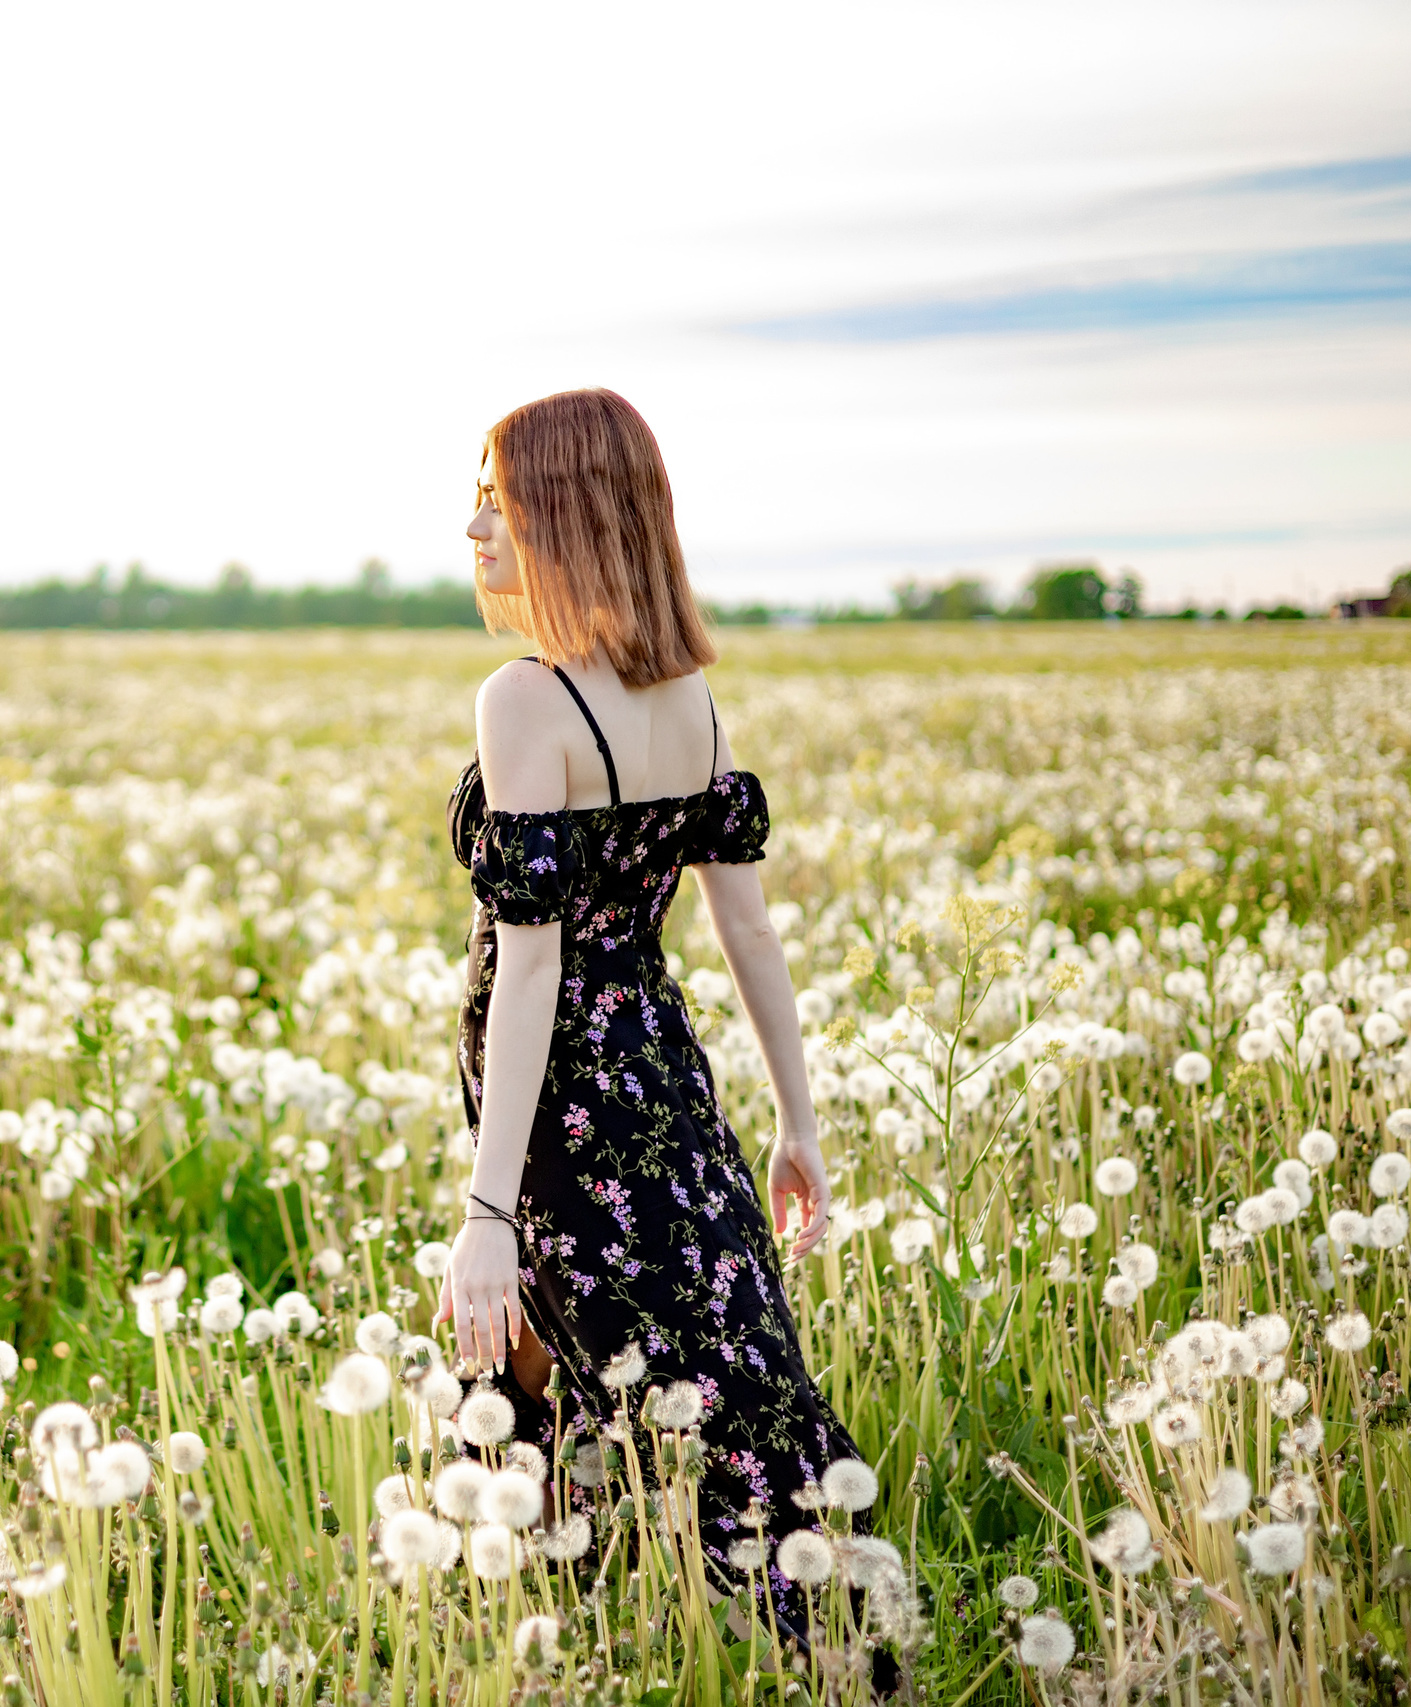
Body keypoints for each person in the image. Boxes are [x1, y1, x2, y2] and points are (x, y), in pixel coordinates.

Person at [437, 387, 868, 1640]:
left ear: (565, 515)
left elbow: (533, 972)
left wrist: (485, 1205)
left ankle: (525, 1611)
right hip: (662, 1078)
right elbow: (747, 933)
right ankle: (743, 1607)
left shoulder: (523, 699)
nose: (472, 526)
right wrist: (793, 1124)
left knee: (533, 1344)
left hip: (560, 1102)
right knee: (703, 1346)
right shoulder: (692, 701)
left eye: (497, 499)